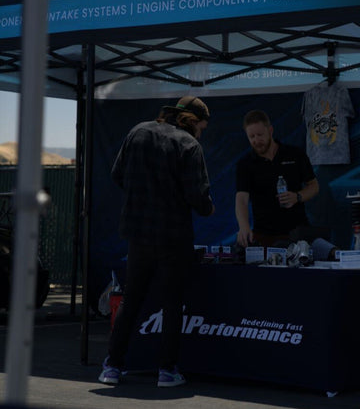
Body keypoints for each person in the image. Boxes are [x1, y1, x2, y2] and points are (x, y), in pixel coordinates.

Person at [98, 96, 215, 388]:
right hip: (173, 236)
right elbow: (198, 197)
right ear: (194, 121)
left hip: (138, 232)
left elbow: (117, 174)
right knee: (172, 303)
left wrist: (143, 195)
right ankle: (167, 371)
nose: (201, 133)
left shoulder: (138, 131)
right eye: (202, 127)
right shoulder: (189, 145)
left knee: (131, 299)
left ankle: (112, 366)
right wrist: (208, 207)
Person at [236, 109, 336, 257]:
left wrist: (297, 196)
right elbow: (241, 199)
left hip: (298, 233)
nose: (256, 140)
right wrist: (243, 227)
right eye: (251, 137)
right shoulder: (245, 164)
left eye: (260, 135)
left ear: (270, 130)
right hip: (264, 235)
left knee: (326, 257)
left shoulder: (295, 154)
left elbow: (314, 186)